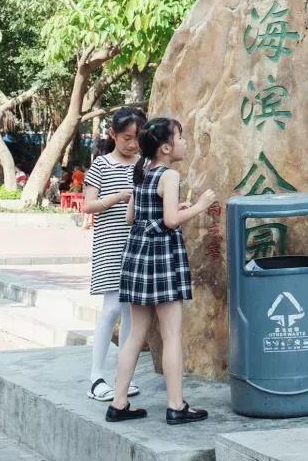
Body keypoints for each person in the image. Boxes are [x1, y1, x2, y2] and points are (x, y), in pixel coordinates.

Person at [107, 117, 216, 425]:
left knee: (135, 334)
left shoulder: (141, 171)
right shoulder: (169, 175)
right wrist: (200, 205)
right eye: (180, 138)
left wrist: (170, 209)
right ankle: (176, 405)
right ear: (166, 148)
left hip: (137, 255)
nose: (184, 142)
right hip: (161, 257)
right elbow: (169, 221)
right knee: (171, 335)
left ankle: (118, 403)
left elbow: (131, 217)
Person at [82, 107, 147, 403]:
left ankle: (123, 375)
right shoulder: (101, 164)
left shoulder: (144, 165)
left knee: (132, 312)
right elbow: (88, 205)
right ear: (113, 134)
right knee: (111, 309)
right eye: (126, 138)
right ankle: (96, 377)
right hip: (110, 243)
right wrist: (119, 198)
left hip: (138, 244)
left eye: (137, 138)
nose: (132, 144)